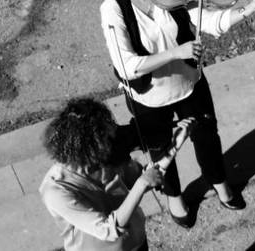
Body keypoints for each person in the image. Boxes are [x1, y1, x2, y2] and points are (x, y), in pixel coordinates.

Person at [100, 0, 255, 228]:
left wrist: (250, 7)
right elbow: (127, 67)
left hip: (190, 82)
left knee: (207, 136)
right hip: (149, 97)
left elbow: (209, 21)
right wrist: (175, 53)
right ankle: (174, 196)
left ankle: (219, 182)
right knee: (161, 150)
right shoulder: (113, 9)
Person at [39, 97, 194, 251]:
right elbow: (107, 229)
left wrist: (174, 146)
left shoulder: (104, 158)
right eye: (105, 138)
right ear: (87, 148)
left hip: (136, 241)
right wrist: (141, 184)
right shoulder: (56, 190)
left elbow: (146, 177)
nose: (112, 141)